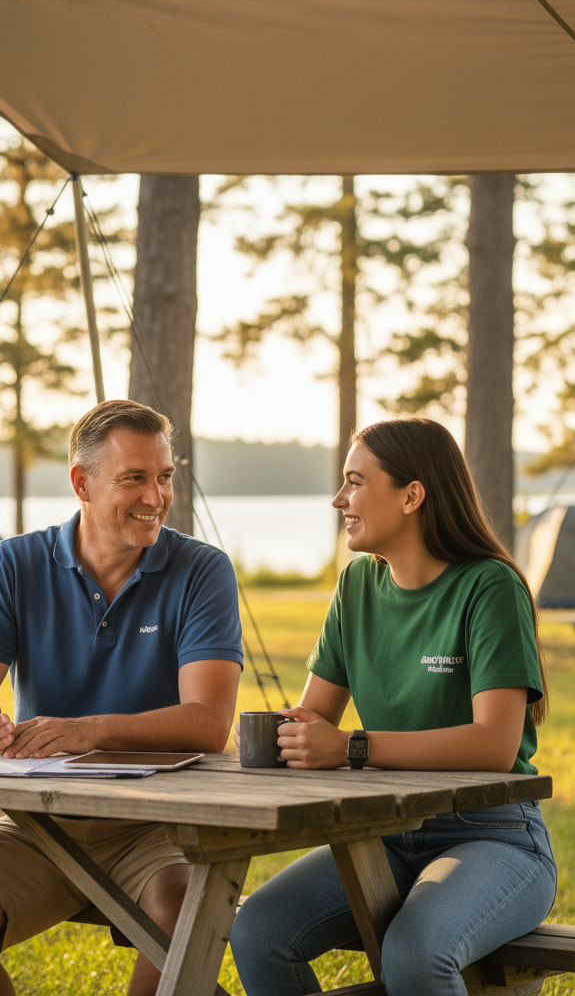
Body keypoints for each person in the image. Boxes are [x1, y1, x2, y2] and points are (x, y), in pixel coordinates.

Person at [0, 399, 243, 996]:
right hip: (39, 820)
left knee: (187, 913)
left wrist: (90, 730)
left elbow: (209, 724)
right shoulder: (15, 563)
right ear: (82, 482)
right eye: (134, 478)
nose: (156, 497)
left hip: (159, 823)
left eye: (163, 477)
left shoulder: (201, 570)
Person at [229, 417, 557, 996]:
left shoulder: (489, 587)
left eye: (355, 482)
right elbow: (316, 719)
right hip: (380, 834)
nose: (339, 500)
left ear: (412, 495)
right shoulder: (357, 585)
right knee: (257, 930)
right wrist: (286, 734)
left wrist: (353, 747)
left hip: (492, 835)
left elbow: (495, 744)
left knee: (415, 953)